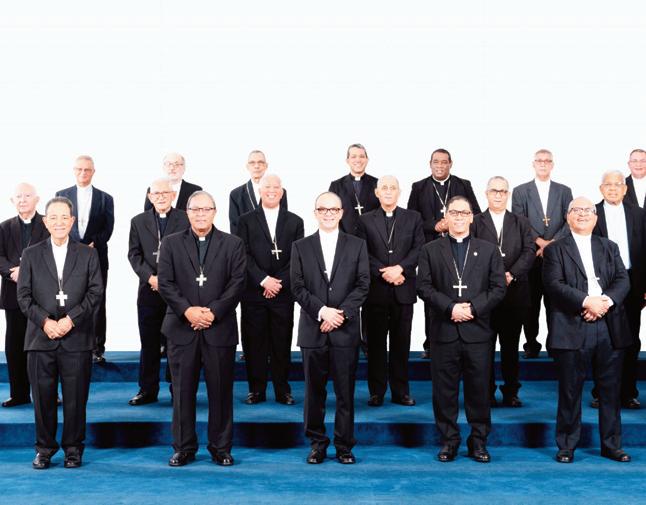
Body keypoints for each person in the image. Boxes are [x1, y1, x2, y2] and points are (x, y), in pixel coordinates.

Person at [157, 190, 246, 467]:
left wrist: (213, 312)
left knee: (221, 392)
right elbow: (165, 282)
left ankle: (220, 447)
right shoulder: (171, 243)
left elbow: (237, 283)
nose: (200, 214)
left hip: (219, 329)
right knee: (182, 392)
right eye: (195, 209)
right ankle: (183, 447)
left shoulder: (233, 244)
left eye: (206, 209)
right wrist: (188, 311)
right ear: (187, 213)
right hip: (181, 328)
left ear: (214, 212)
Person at [543, 197, 632, 464]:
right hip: (572, 325)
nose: (582, 214)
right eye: (576, 210)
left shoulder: (609, 246)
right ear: (568, 217)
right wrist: (586, 302)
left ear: (596, 217)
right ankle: (567, 445)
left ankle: (611, 445)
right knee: (570, 390)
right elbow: (553, 284)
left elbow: (622, 280)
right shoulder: (555, 249)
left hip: (609, 325)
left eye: (588, 210)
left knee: (610, 390)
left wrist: (603, 303)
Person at [417, 196, 506, 463]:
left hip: (477, 331)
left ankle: (478, 442)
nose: (458, 217)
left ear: (471, 217)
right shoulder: (430, 249)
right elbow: (423, 286)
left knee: (479, 390)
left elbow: (498, 288)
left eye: (463, 213)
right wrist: (450, 308)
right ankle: (449, 441)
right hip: (444, 330)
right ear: (446, 217)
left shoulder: (488, 250)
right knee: (444, 391)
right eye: (453, 213)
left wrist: (473, 308)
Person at [17, 197, 103, 469]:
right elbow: (23, 296)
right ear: (45, 222)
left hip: (76, 338)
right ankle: (44, 449)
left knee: (76, 399)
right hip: (40, 338)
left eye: (64, 217)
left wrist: (70, 320)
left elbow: (95, 292)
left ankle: (73, 449)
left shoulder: (88, 254)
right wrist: (45, 322)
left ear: (72, 220)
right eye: (53, 217)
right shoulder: (31, 254)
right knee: (42, 399)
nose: (59, 222)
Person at [291, 192, 369, 465]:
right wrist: (322, 311)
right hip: (313, 330)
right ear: (315, 213)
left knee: (345, 393)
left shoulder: (357, 245)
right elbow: (297, 286)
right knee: (314, 393)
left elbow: (363, 284)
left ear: (341, 213)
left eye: (333, 209)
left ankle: (344, 446)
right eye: (323, 209)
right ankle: (317, 444)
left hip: (345, 331)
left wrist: (340, 314)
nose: (328, 214)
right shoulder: (301, 246)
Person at [236, 174, 304, 405]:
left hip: (282, 293)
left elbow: (297, 256)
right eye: (267, 187)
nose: (272, 190)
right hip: (254, 292)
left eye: (276, 187)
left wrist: (277, 282)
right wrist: (264, 280)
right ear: (260, 191)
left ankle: (282, 390)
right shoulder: (245, 220)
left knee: (281, 343)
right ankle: (256, 390)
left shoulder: (295, 221)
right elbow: (242, 254)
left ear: (282, 192)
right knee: (254, 342)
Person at [356, 176, 424, 407]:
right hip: (375, 291)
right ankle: (376, 392)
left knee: (401, 344)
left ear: (399, 192)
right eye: (383, 188)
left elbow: (419, 248)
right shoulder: (365, 220)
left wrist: (400, 268)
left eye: (392, 187)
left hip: (403, 290)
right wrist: (385, 272)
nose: (388, 191)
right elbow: (362, 251)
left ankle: (401, 391)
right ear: (376, 193)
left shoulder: (413, 218)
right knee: (375, 344)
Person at [408, 148, 481, 359]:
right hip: (431, 249)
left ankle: (463, 340)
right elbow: (412, 219)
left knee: (459, 292)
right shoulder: (419, 187)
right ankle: (431, 343)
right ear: (430, 164)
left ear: (450, 164)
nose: (440, 165)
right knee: (431, 295)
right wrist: (436, 225)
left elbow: (475, 213)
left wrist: (455, 223)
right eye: (436, 162)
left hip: (460, 247)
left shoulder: (463, 184)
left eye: (444, 162)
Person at [471, 177, 536, 407]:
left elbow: (529, 251)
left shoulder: (521, 221)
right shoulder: (475, 221)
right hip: (484, 294)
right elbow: (470, 251)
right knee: (484, 348)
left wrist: (511, 274)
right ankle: (486, 392)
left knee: (510, 347)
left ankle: (511, 392)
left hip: (514, 294)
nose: (498, 195)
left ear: (508, 194)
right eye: (494, 191)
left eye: (502, 191)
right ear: (486, 194)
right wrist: (495, 277)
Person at [127, 178, 190, 405]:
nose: (161, 197)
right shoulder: (138, 221)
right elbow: (134, 255)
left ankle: (178, 389)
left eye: (165, 193)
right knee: (149, 343)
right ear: (149, 196)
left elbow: (189, 251)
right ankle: (147, 390)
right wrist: (150, 278)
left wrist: (166, 280)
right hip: (149, 290)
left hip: (177, 291)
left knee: (177, 342)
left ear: (173, 195)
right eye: (156, 193)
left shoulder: (185, 218)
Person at [590, 171, 646, 410]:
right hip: (601, 283)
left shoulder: (639, 214)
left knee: (631, 339)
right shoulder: (590, 212)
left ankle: (628, 393)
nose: (613, 188)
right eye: (608, 184)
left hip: (633, 283)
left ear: (625, 189)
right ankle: (601, 392)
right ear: (601, 189)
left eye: (618, 184)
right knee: (602, 340)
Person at [511, 149, 573, 358]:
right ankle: (531, 343)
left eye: (547, 161)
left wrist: (551, 244)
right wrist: (539, 242)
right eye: (539, 160)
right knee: (531, 303)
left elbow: (570, 220)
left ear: (552, 164)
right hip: (532, 254)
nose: (543, 164)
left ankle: (556, 344)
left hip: (557, 255)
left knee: (555, 302)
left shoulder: (564, 191)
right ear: (533, 164)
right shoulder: (520, 191)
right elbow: (520, 220)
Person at [56, 155, 114, 364]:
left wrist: (93, 244)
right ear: (74, 171)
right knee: (69, 299)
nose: (83, 173)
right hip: (67, 255)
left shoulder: (105, 198)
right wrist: (75, 246)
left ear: (93, 172)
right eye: (79, 169)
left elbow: (108, 228)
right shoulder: (61, 195)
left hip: (96, 256)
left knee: (97, 301)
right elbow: (58, 224)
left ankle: (97, 348)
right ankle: (70, 344)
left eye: (87, 169)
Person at [0, 183, 49, 407]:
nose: (22, 200)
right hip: (13, 294)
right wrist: (12, 272)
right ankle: (19, 394)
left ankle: (48, 393)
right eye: (18, 196)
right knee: (14, 346)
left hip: (43, 295)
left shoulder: (47, 224)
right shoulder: (4, 227)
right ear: (12, 201)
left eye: (27, 195)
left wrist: (27, 270)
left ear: (36, 199)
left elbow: (53, 253)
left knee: (44, 346)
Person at [229, 150, 288, 235]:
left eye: (260, 162)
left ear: (266, 166)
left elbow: (283, 223)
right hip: (245, 242)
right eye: (252, 163)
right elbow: (234, 227)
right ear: (247, 166)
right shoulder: (236, 194)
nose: (256, 166)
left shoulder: (280, 192)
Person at [328, 143, 380, 236]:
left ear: (367, 160)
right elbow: (331, 215)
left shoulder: (378, 184)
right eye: (353, 156)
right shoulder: (336, 186)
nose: (358, 160)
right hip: (345, 239)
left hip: (372, 239)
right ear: (347, 160)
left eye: (362, 156)